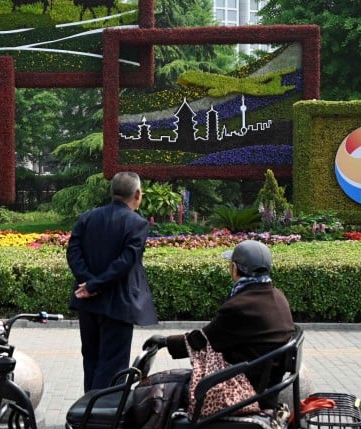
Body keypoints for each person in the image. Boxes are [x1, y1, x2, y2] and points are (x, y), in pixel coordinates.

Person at [142, 239, 295, 398]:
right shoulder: (278, 297)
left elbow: (203, 340)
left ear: (234, 268)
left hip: (242, 387)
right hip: (265, 383)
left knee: (160, 392)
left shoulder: (241, 306)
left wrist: (164, 342)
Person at [67, 171, 158, 392]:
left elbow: (73, 252)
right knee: (113, 366)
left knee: (91, 360)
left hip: (86, 302)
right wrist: (93, 285)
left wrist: (87, 283)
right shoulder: (137, 223)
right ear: (137, 194)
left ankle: (87, 410)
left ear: (112, 192)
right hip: (118, 304)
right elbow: (125, 262)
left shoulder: (88, 217)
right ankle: (101, 415)